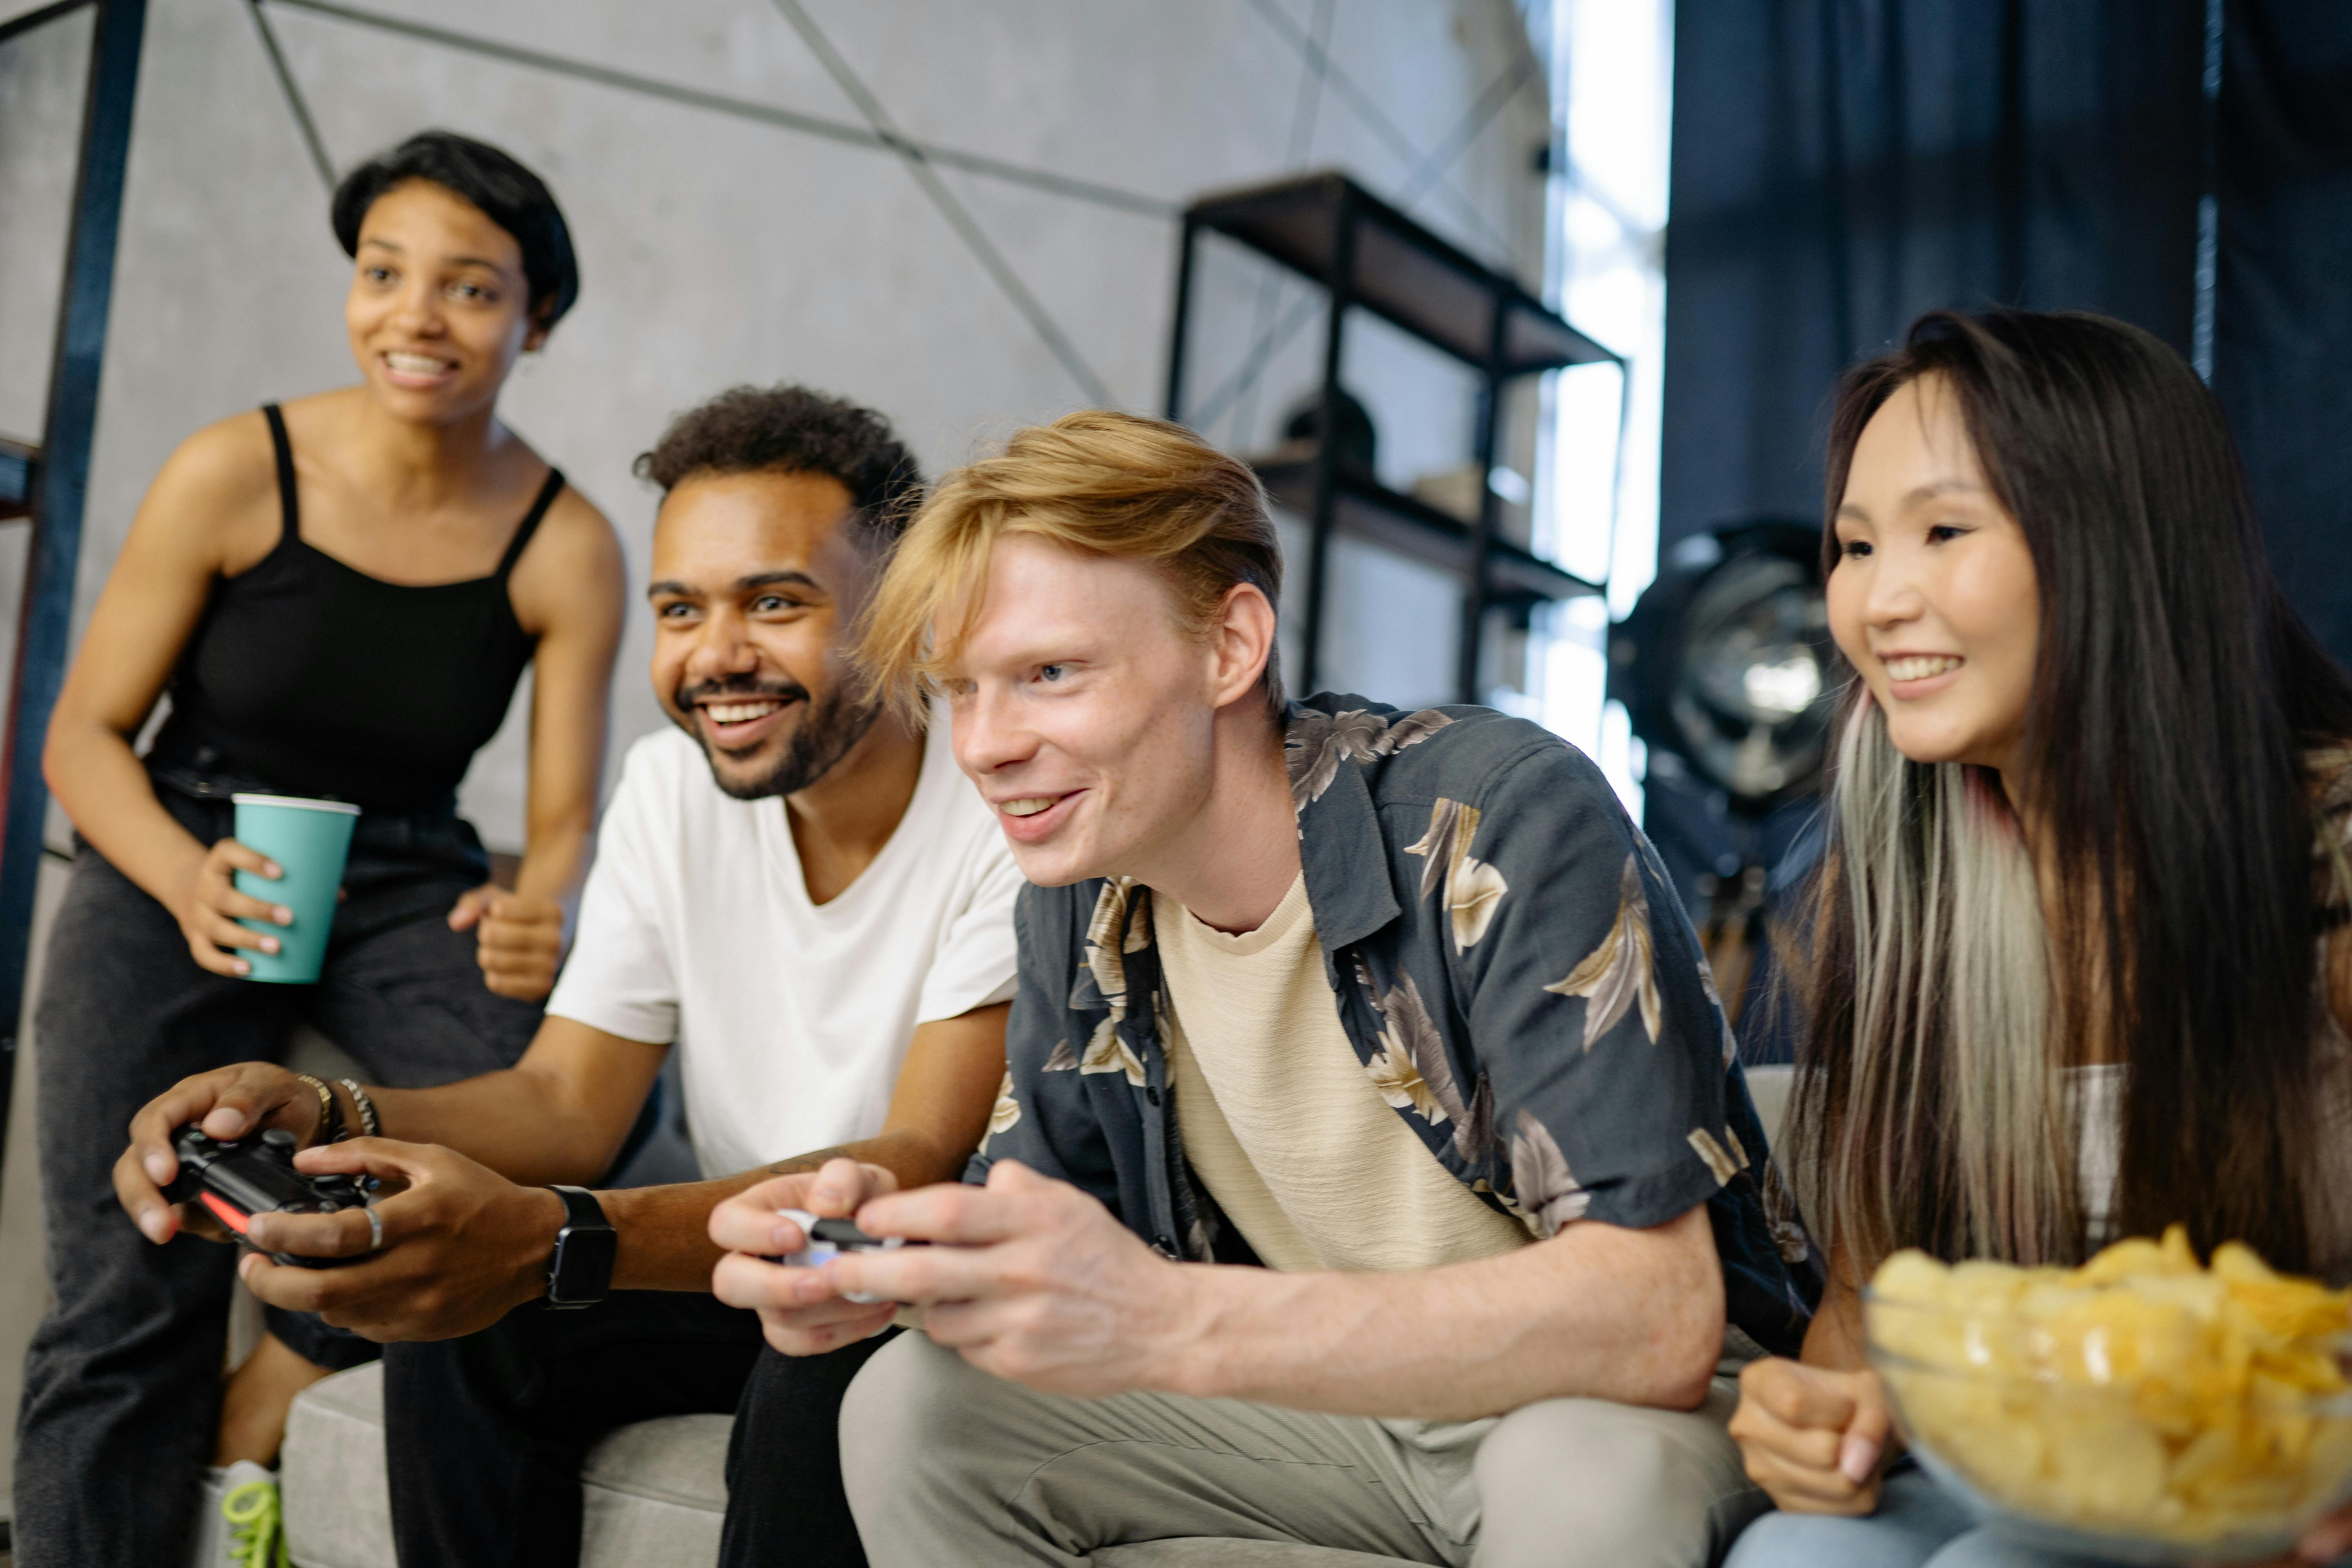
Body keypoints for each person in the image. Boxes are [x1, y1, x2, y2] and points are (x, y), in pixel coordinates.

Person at [706, 410, 1820, 1568]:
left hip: (1599, 1407)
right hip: (1333, 1417)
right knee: (914, 1406)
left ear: (1230, 648)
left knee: (1581, 1476)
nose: (985, 745)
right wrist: (875, 1264)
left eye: (1049, 674)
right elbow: (1044, 1236)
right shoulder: (1079, 890)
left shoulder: (1498, 818)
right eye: (962, 691)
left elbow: (1656, 1317)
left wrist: (1168, 1320)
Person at [113, 384, 1023, 1568]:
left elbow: (910, 1168)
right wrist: (331, 1115)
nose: (717, 656)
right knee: (469, 1325)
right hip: (749, 1265)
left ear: (905, 610)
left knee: (815, 1357)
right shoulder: (667, 787)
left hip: (908, 1289)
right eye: (680, 609)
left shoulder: (1003, 795)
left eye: (777, 602)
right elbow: (565, 1104)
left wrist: (555, 1236)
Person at [17, 130, 624, 1567]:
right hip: (187, 840)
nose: (416, 317)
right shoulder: (235, 469)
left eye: (471, 288)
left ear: (536, 320)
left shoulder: (564, 541)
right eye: (383, 274)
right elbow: (81, 738)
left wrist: (541, 904)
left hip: (412, 872)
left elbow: (560, 827)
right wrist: (181, 877)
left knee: (578, 1130)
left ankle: (260, 1406)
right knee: (130, 1265)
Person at [1717, 310, 2352, 1568]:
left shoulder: (2328, 855)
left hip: (2282, 1496)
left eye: (1945, 531)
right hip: (2032, 1482)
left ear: (2123, 541)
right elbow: (1862, 1318)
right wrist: (1818, 1418)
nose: (1876, 600)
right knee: (1797, 1557)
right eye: (1853, 546)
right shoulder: (1898, 887)